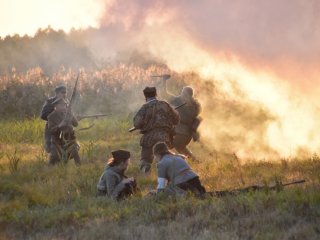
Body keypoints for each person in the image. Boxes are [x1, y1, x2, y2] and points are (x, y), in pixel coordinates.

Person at [133, 86, 180, 173]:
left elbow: (137, 124)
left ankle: (145, 173)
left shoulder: (145, 107)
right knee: (166, 157)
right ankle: (168, 174)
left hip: (149, 137)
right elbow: (176, 119)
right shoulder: (165, 104)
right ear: (156, 94)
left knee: (145, 159)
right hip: (164, 136)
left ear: (145, 97)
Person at [160, 75, 202, 161]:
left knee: (178, 145)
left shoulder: (194, 105)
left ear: (189, 95)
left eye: (184, 93)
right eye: (182, 93)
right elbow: (164, 94)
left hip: (184, 132)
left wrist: (180, 111)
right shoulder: (178, 100)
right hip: (178, 131)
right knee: (174, 145)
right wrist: (164, 81)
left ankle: (187, 161)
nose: (182, 94)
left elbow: (190, 118)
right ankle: (192, 160)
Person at [47, 97, 80, 165]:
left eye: (65, 105)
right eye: (61, 105)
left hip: (70, 140)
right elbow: (51, 130)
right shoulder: (51, 116)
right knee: (54, 156)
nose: (64, 107)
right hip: (57, 142)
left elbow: (76, 124)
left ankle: (79, 168)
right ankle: (50, 170)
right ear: (56, 106)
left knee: (74, 150)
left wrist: (71, 114)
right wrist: (59, 126)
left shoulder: (68, 114)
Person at [40, 85, 68, 153]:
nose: (64, 94)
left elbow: (68, 113)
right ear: (57, 93)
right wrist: (55, 113)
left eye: (65, 92)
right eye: (63, 92)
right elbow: (43, 115)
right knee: (50, 144)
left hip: (64, 125)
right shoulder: (50, 102)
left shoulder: (66, 102)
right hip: (52, 124)